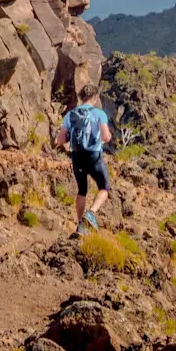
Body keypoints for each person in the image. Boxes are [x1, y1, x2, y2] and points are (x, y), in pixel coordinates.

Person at [55, 83, 112, 236]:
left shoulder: (70, 115)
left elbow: (59, 141)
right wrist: (103, 139)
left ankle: (81, 226)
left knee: (82, 191)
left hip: (77, 156)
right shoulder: (100, 114)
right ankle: (90, 214)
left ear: (81, 97)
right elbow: (106, 137)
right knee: (104, 188)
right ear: (95, 97)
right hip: (94, 156)